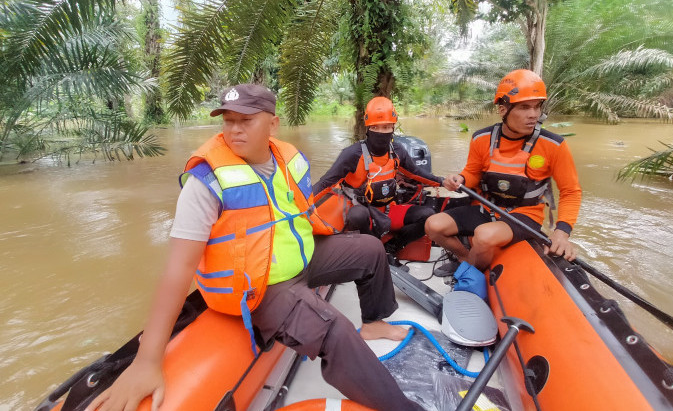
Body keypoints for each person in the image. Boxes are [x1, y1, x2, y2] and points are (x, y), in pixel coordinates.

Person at [86, 84, 422, 411]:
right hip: (259, 285)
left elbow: (300, 213)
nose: (235, 129)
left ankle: (375, 321)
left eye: (246, 120)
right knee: (336, 331)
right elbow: (178, 269)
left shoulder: (289, 159)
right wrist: (148, 360)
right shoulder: (208, 180)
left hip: (298, 258)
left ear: (272, 123)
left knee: (369, 249)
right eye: (228, 120)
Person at [426, 69, 582, 271]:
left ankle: (469, 272)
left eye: (537, 107)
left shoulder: (554, 145)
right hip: (486, 208)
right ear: (503, 109)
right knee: (433, 225)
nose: (533, 114)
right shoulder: (481, 139)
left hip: (525, 215)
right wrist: (460, 179)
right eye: (525, 107)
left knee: (484, 235)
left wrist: (562, 232)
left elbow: (571, 192)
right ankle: (465, 260)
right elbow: (472, 173)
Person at [313, 96, 445, 255]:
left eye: (386, 127)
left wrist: (442, 182)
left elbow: (416, 173)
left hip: (388, 210)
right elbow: (325, 183)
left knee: (427, 215)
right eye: (376, 127)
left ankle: (392, 247)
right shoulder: (352, 154)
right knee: (357, 215)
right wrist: (298, 205)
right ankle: (374, 251)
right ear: (368, 128)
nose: (381, 132)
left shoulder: (397, 151)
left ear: (393, 127)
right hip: (360, 212)